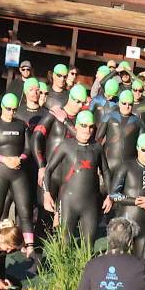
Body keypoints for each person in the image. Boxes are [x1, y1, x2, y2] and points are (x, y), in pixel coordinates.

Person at [43, 109, 111, 245]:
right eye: (84, 126)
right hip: (68, 201)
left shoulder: (97, 147)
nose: (88, 130)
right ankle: (63, 267)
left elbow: (105, 171)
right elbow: (48, 170)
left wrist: (110, 195)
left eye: (91, 127)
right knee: (65, 243)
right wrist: (47, 194)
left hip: (90, 204)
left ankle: (85, 267)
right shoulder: (66, 145)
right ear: (77, 126)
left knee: (88, 246)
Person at [1, 78, 48, 247]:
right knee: (16, 200)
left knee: (35, 203)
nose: (35, 93)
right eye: (32, 89)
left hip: (38, 163)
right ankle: (15, 239)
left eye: (38, 90)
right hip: (18, 163)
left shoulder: (45, 114)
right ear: (26, 92)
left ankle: (33, 242)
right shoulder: (18, 112)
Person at [0, 94, 34, 243]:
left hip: (18, 172)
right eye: (8, 109)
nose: (11, 112)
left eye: (14, 109)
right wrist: (5, 159)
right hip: (0, 171)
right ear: (2, 107)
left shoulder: (22, 125)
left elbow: (28, 149)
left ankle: (29, 246)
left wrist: (19, 158)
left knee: (25, 212)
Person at [34, 83, 85, 226]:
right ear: (70, 98)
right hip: (51, 173)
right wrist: (41, 166)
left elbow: (83, 138)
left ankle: (59, 248)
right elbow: (36, 137)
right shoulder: (54, 114)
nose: (80, 105)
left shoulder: (81, 121)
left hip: (69, 178)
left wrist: (66, 120)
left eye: (83, 102)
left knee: (62, 222)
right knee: (43, 219)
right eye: (77, 101)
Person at [109, 133, 145, 254]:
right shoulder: (126, 166)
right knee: (118, 262)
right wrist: (135, 201)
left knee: (142, 264)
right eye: (144, 150)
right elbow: (113, 194)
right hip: (124, 223)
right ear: (137, 148)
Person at [96, 89, 140, 174]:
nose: (127, 106)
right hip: (108, 164)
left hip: (128, 168)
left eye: (130, 104)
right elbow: (98, 140)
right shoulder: (108, 117)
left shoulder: (138, 122)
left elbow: (142, 147)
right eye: (124, 103)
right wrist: (97, 161)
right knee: (105, 187)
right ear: (119, 103)